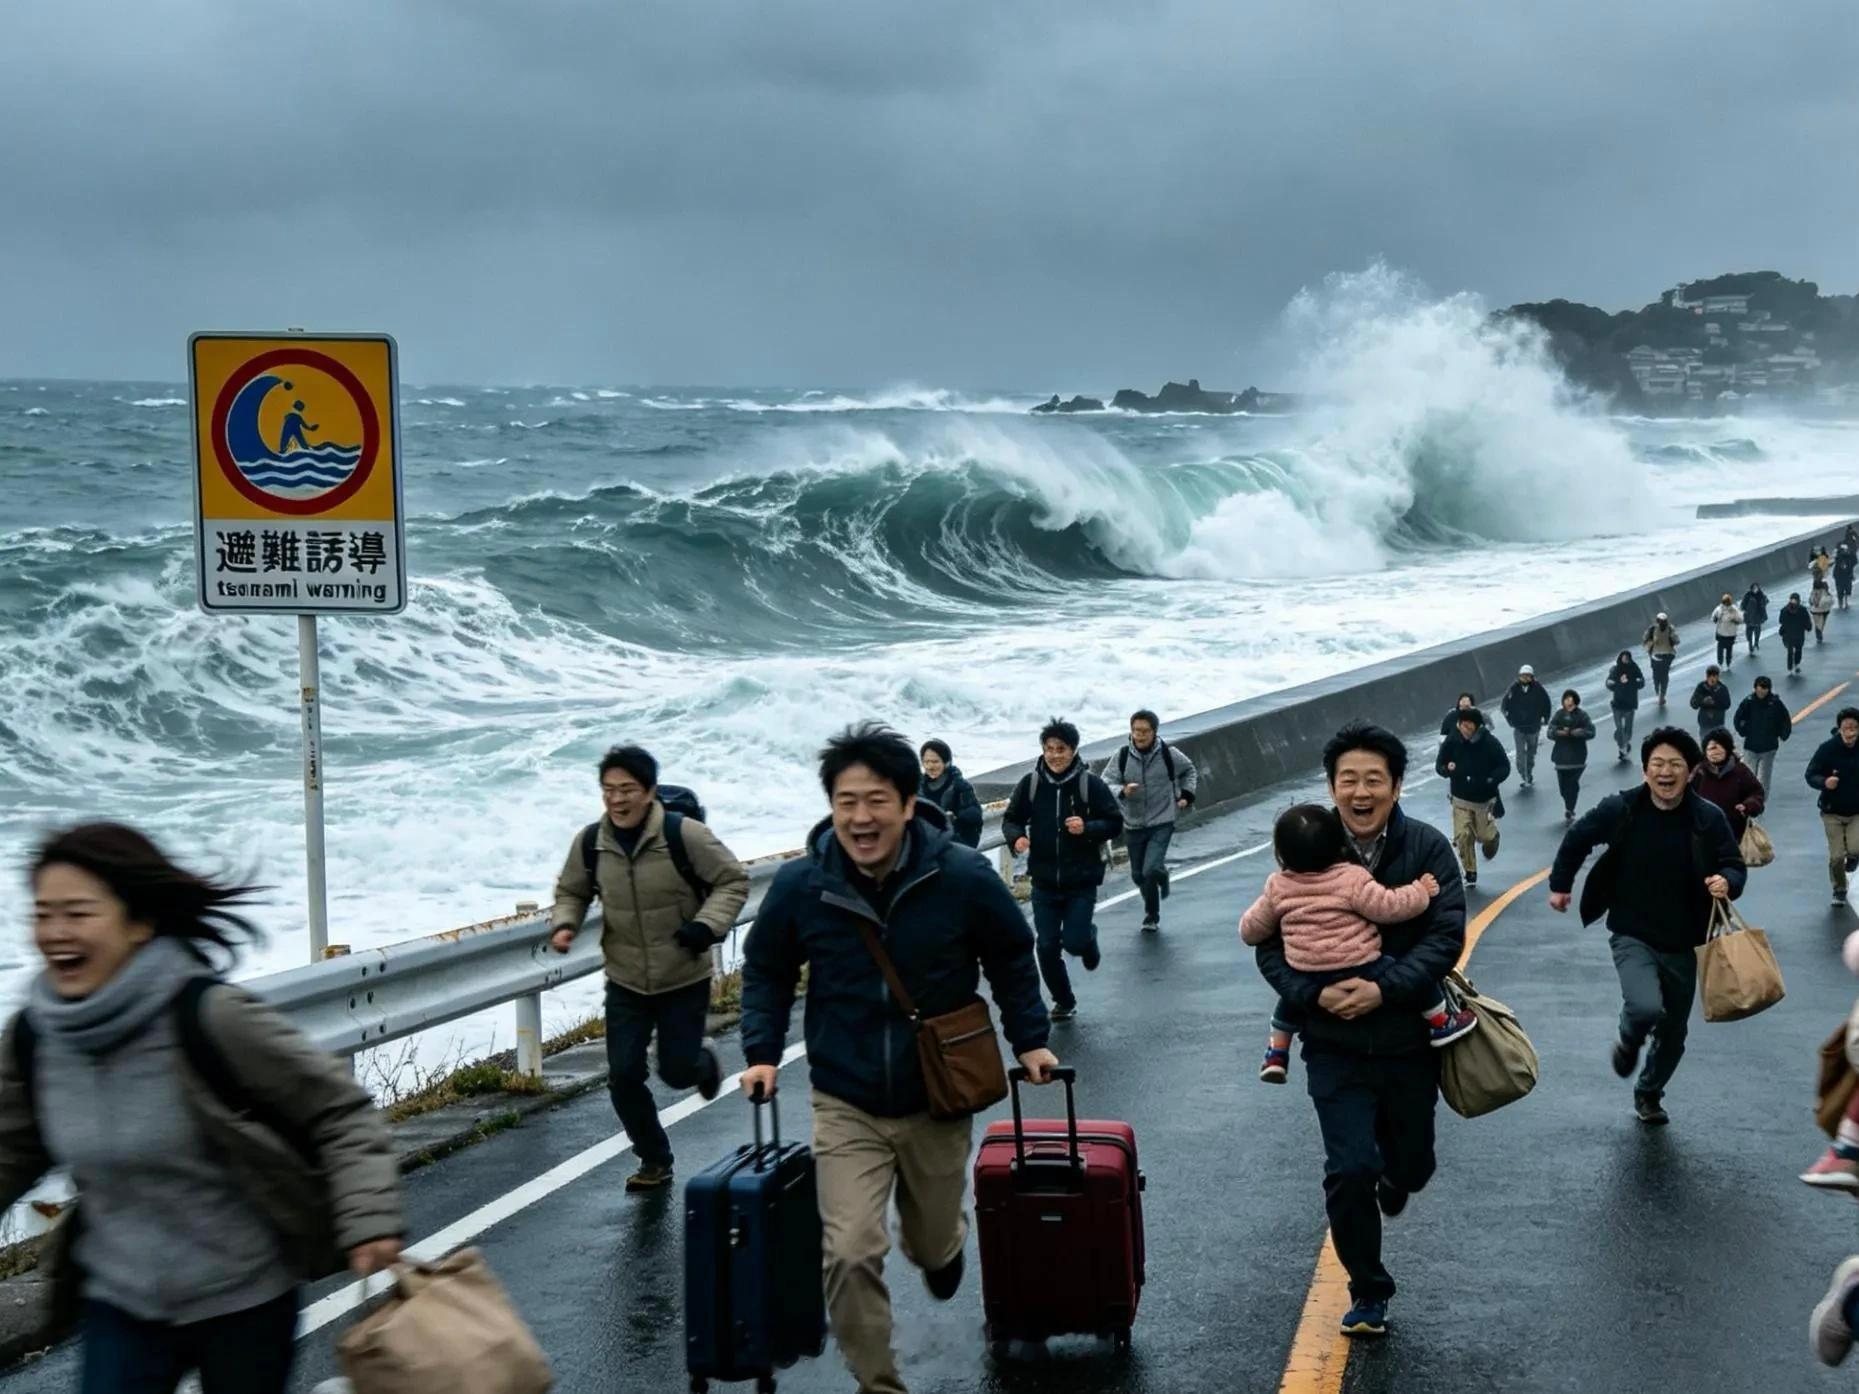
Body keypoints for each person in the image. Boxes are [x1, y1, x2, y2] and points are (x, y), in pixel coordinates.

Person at [0, 823, 404, 1394]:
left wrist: (370, 1217)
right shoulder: (35, 1039)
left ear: (139, 923)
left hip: (242, 1297)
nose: (56, 932)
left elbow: (338, 1112)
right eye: (43, 913)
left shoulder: (210, 1017)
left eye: (78, 913)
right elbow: (10, 1147)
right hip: (121, 1303)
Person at [739, 723, 1057, 1394]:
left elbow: (1008, 954)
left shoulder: (961, 875)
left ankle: (941, 1249)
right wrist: (761, 1053)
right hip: (844, 1096)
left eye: (876, 800)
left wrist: (1028, 1037)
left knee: (931, 1243)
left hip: (935, 1095)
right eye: (846, 801)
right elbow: (765, 969)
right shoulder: (802, 885)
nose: (860, 817)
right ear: (831, 806)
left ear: (909, 804)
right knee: (850, 1252)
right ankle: (878, 1384)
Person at [1254, 723, 1466, 1340]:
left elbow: (1445, 932)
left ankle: (1399, 1178)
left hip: (1407, 1044)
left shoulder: (1426, 847)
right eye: (1348, 779)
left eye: (1375, 778)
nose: (1361, 790)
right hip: (1334, 1048)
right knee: (1348, 1170)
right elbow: (1267, 944)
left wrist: (1385, 987)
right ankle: (1368, 1291)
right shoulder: (1306, 850)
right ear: (1331, 787)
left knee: (1413, 1163)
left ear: (1397, 786)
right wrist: (1310, 994)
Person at [550, 745, 751, 1191]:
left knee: (675, 1072)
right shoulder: (591, 842)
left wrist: (706, 926)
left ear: (650, 792)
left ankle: (700, 1062)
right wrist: (566, 924)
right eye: (608, 790)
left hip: (683, 975)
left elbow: (733, 880)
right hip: (625, 979)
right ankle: (654, 1160)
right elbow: (572, 891)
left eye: (627, 789)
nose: (617, 800)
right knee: (623, 1075)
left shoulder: (685, 835)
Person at [1548, 728, 1747, 1125]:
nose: (1666, 772)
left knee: (1673, 1034)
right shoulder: (1621, 809)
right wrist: (1561, 885)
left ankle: (1649, 1091)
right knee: (1644, 1006)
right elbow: (1578, 838)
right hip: (1632, 933)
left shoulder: (1707, 818)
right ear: (1644, 771)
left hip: (1686, 942)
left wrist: (1728, 882)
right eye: (1657, 764)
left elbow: (1733, 864)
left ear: (1691, 772)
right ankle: (1628, 1038)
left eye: (1675, 764)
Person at [1241, 804, 1473, 1086]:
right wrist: (1420, 892)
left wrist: (1251, 929)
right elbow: (1390, 906)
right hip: (1362, 965)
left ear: (1281, 855)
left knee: (1288, 1003)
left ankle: (1277, 1052)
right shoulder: (1351, 877)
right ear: (1339, 846)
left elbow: (1252, 930)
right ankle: (1440, 1023)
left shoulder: (1278, 887)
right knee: (1418, 980)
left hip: (1308, 971)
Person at [1001, 718, 1124, 1021]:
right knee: (1045, 946)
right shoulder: (1031, 785)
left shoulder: (1088, 785)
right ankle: (1063, 1000)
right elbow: (1011, 818)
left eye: (1061, 749)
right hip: (1043, 881)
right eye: (1049, 749)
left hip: (1081, 880)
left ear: (1073, 750)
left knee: (1075, 941)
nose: (1055, 755)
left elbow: (1114, 822)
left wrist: (1088, 827)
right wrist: (1016, 836)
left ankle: (1088, 939)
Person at [1110, 709, 1199, 933]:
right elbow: (1106, 781)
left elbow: (1189, 770)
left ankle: (1151, 915)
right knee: (1138, 875)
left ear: (1155, 732)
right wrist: (1122, 790)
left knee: (1149, 870)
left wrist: (1186, 795)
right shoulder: (1121, 756)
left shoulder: (1169, 754)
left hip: (1162, 820)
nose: (1139, 736)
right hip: (1133, 823)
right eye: (1135, 731)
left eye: (1144, 731)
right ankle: (1161, 874)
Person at [1435, 708, 1509, 888]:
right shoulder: (1452, 740)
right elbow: (1439, 764)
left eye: (1468, 726)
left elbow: (1504, 766)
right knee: (1463, 835)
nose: (1464, 729)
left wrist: (1490, 779)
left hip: (1484, 799)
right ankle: (1470, 871)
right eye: (1461, 725)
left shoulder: (1489, 742)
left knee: (1486, 837)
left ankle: (1493, 839)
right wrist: (1447, 769)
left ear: (1477, 727)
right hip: (1460, 798)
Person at [1807, 709, 1859, 907]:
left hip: (1857, 811)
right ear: (1839, 729)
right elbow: (1810, 774)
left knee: (1855, 847)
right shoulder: (1827, 749)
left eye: (1854, 728)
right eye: (1846, 728)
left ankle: (1854, 856)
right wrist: (1824, 781)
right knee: (1836, 856)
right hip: (1832, 811)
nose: (1850, 732)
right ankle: (1839, 889)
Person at [1691, 729, 1765, 843]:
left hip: (1734, 835)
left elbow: (1756, 793)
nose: (1714, 752)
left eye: (1718, 748)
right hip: (1703, 835)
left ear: (1727, 749)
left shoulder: (1740, 771)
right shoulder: (1698, 772)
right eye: (1710, 749)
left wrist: (1747, 806)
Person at [917, 740, 983, 849]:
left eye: (935, 762)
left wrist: (953, 820)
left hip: (953, 851)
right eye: (926, 762)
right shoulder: (918, 788)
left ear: (946, 762)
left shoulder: (960, 787)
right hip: (925, 854)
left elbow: (974, 821)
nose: (930, 766)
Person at [1733, 676, 1792, 795]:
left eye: (1765, 688)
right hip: (1751, 745)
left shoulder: (1775, 703)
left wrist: (1783, 734)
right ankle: (1748, 798)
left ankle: (1761, 801)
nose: (1762, 691)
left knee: (1764, 778)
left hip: (1769, 746)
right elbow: (1738, 718)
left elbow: (1785, 720)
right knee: (1749, 775)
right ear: (1755, 688)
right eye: (1760, 688)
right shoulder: (1748, 702)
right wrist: (1742, 731)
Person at [1500, 664, 1552, 789]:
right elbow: (1504, 705)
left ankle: (1529, 773)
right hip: (1519, 727)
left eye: (1528, 676)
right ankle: (1524, 775)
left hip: (1534, 727)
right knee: (1520, 755)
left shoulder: (1538, 688)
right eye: (1523, 676)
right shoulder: (1513, 689)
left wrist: (1546, 718)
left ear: (1532, 677)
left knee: (1531, 754)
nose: (1525, 678)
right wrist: (1510, 720)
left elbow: (1547, 703)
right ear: (1519, 676)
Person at [1549, 689, 1596, 823]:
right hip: (1560, 757)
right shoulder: (1559, 715)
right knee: (1563, 788)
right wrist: (1558, 733)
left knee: (1572, 784)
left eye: (1571, 699)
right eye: (1566, 699)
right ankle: (1568, 804)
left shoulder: (1582, 716)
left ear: (1576, 701)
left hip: (1578, 757)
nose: (1568, 702)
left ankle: (1570, 808)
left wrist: (1577, 733)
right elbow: (1550, 731)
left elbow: (1591, 732)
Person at [1605, 650, 1646, 764]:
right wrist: (1618, 685)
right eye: (1623, 657)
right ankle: (1622, 749)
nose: (1625, 659)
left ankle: (1624, 743)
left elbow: (1642, 683)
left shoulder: (1634, 668)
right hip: (1617, 704)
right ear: (1620, 658)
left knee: (1628, 729)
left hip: (1630, 703)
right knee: (1619, 727)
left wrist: (1633, 684)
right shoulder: (1615, 669)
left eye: (1627, 657)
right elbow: (1608, 683)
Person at [1643, 613, 1680, 707]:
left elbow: (1677, 640)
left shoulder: (1670, 628)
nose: (1663, 623)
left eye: (1664, 621)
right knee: (1656, 675)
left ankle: (1661, 694)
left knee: (1664, 675)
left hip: (1667, 655)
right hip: (1655, 655)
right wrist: (1651, 645)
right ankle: (1658, 691)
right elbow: (1645, 639)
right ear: (1657, 621)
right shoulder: (1652, 629)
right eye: (1661, 621)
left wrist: (1672, 637)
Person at [1689, 665, 1731, 743]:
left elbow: (1727, 704)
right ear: (1707, 676)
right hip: (1704, 724)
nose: (1712, 679)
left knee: (1719, 746)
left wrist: (1714, 702)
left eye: (1714, 676)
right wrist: (1703, 701)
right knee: (1705, 746)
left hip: (1718, 723)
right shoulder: (1701, 687)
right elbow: (1693, 704)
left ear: (1718, 677)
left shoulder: (1722, 688)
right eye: (1710, 676)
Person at [1779, 592, 1813, 676]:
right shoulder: (1802, 609)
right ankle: (1796, 664)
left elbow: (1781, 621)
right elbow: (1807, 620)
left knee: (1790, 651)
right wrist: (1808, 627)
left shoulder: (1784, 609)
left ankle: (1790, 668)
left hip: (1788, 634)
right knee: (1798, 649)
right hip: (1799, 633)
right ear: (1799, 600)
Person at [1710, 593, 1742, 670]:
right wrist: (1716, 619)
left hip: (1729, 633)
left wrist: (1734, 620)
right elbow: (1713, 618)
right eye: (1725, 602)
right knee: (1722, 649)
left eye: (1728, 602)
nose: (1726, 604)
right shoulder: (1719, 609)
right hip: (1722, 633)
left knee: (1728, 649)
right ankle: (1722, 662)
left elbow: (1739, 619)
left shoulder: (1733, 609)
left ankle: (1727, 662)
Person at [1741, 583, 1769, 655]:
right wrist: (1746, 609)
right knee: (1749, 632)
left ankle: (1756, 642)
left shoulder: (1761, 594)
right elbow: (1742, 605)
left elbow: (1766, 601)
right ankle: (1750, 644)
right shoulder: (1748, 595)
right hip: (1749, 617)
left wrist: (1763, 603)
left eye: (1757, 588)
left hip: (1758, 616)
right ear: (1751, 588)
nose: (1755, 589)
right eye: (1754, 588)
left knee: (1757, 631)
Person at [1838, 546, 1857, 612]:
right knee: (1841, 590)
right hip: (1840, 577)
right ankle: (1841, 603)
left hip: (1846, 576)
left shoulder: (1849, 556)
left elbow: (1853, 563)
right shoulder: (1839, 557)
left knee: (1846, 590)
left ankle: (1845, 602)